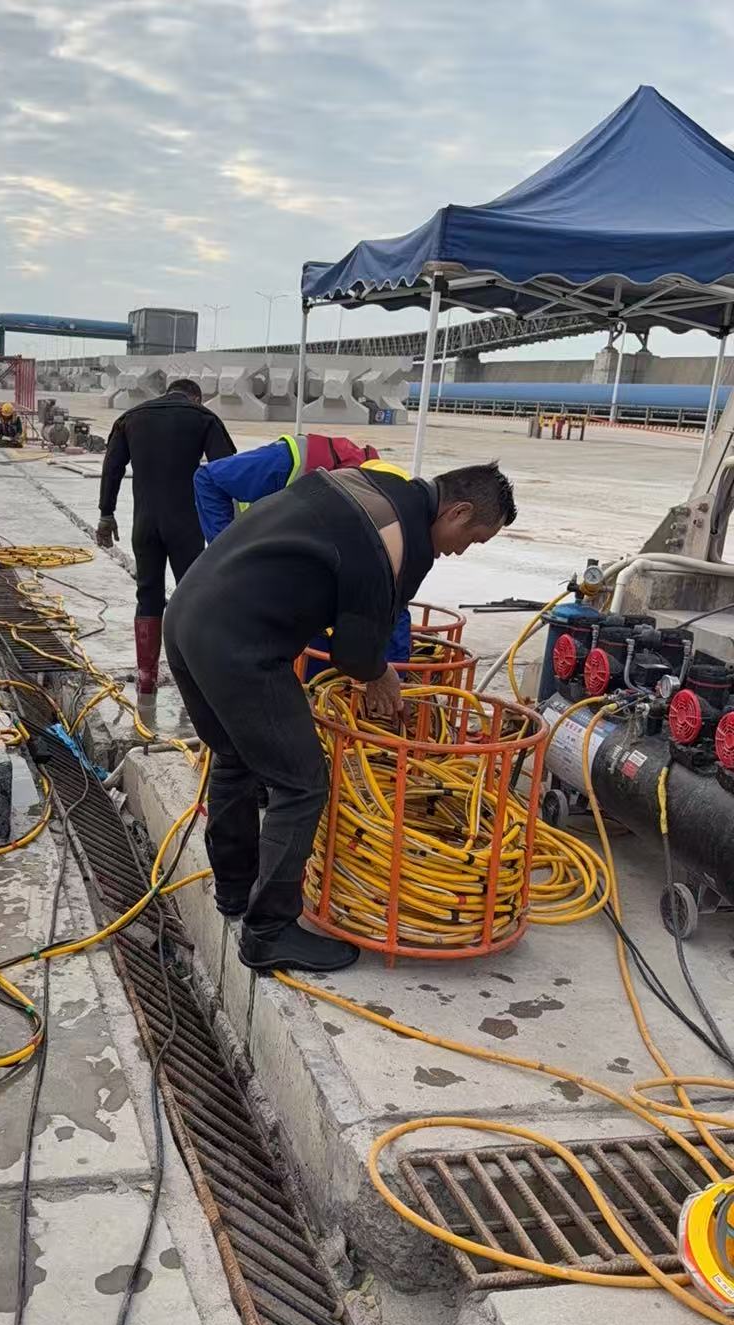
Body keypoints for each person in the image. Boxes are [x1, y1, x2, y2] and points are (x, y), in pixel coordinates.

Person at [164, 461, 516, 974]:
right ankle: (268, 933)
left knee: (237, 756)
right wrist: (380, 675)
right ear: (457, 511)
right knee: (302, 784)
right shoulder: (406, 542)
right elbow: (354, 651)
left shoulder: (370, 484)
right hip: (242, 645)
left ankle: (235, 893)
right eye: (472, 537)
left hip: (189, 618)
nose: (462, 550)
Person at [194, 434, 414, 665]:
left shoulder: (381, 516)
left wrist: (398, 675)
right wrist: (227, 557)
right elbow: (208, 480)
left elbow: (394, 602)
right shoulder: (289, 461)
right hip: (247, 574)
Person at [96, 379, 236, 695]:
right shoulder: (203, 418)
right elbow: (227, 471)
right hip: (186, 524)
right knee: (192, 596)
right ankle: (194, 676)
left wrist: (107, 513)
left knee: (148, 594)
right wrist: (231, 526)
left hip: (144, 524)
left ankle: (147, 678)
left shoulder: (130, 418)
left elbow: (112, 468)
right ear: (196, 397)